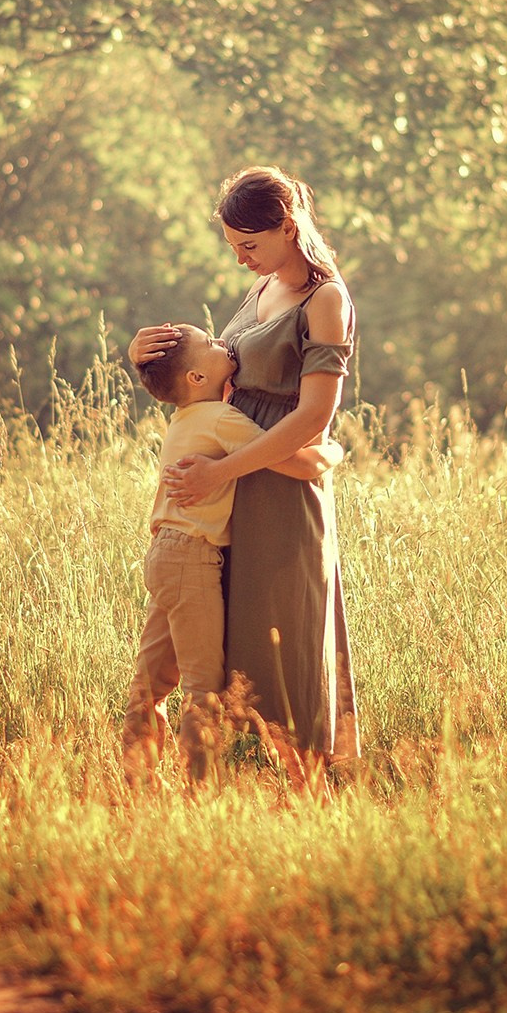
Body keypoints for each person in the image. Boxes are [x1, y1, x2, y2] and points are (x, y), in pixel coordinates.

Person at [129, 166, 360, 766]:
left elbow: (313, 416)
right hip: (226, 503)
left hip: (280, 492)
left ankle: (312, 788)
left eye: (249, 245)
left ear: (288, 228)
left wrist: (222, 471)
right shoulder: (261, 287)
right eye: (233, 247)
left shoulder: (326, 299)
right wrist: (144, 358)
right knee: (222, 650)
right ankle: (214, 779)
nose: (240, 259)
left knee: (289, 650)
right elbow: (205, 377)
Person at [123, 323, 342, 786]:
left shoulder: (184, 416)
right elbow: (294, 461)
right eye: (211, 343)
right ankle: (199, 792)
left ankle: (137, 782)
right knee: (203, 687)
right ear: (197, 378)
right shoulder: (221, 419)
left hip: (163, 554)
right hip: (192, 558)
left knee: (150, 684)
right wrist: (335, 451)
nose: (223, 343)